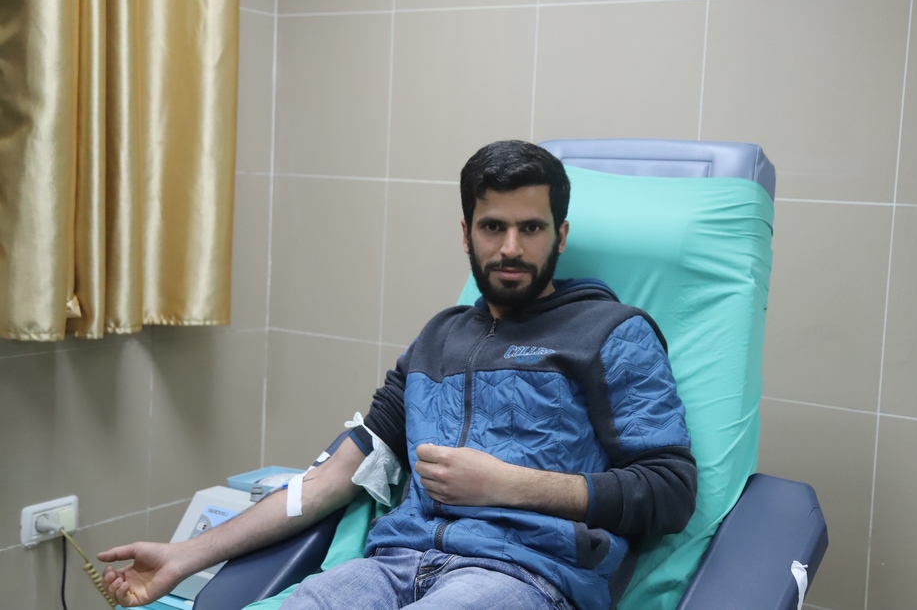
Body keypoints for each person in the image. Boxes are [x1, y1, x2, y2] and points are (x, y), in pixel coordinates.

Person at [100, 140, 698, 610]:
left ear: (560, 236)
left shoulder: (611, 332)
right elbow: (335, 478)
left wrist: (508, 485)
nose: (511, 248)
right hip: (392, 566)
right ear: (466, 234)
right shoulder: (437, 340)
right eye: (493, 226)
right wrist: (185, 556)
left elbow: (669, 490)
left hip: (524, 576)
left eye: (531, 228)